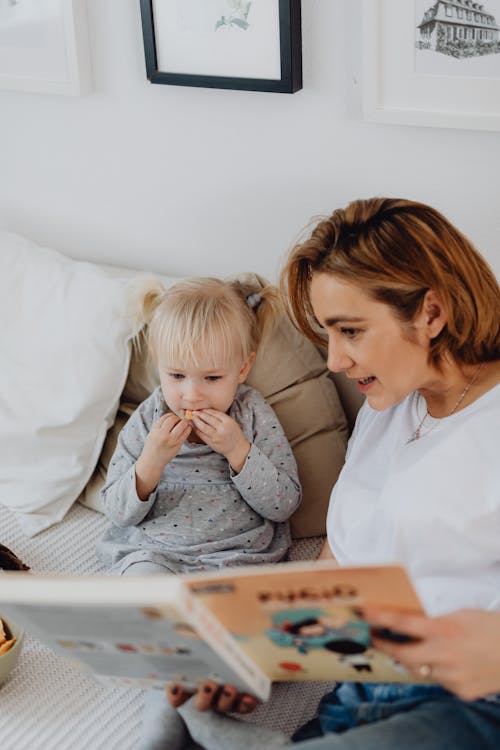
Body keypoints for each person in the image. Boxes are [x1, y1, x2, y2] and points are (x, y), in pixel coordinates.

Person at [163, 197, 500, 750]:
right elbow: (342, 561)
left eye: (350, 331)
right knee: (181, 713)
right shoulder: (387, 408)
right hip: (358, 697)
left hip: (472, 703)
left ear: (431, 314)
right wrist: (256, 655)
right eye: (328, 334)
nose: (334, 362)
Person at [96, 276, 301, 749]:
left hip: (236, 563)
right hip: (160, 558)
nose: (192, 395)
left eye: (212, 379)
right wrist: (150, 463)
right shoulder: (148, 420)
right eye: (177, 377)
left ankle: (177, 728)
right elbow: (117, 512)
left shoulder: (252, 414)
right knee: (147, 606)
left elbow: (285, 502)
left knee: (252, 638)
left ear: (243, 368)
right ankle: (195, 729)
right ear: (158, 370)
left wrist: (238, 451)